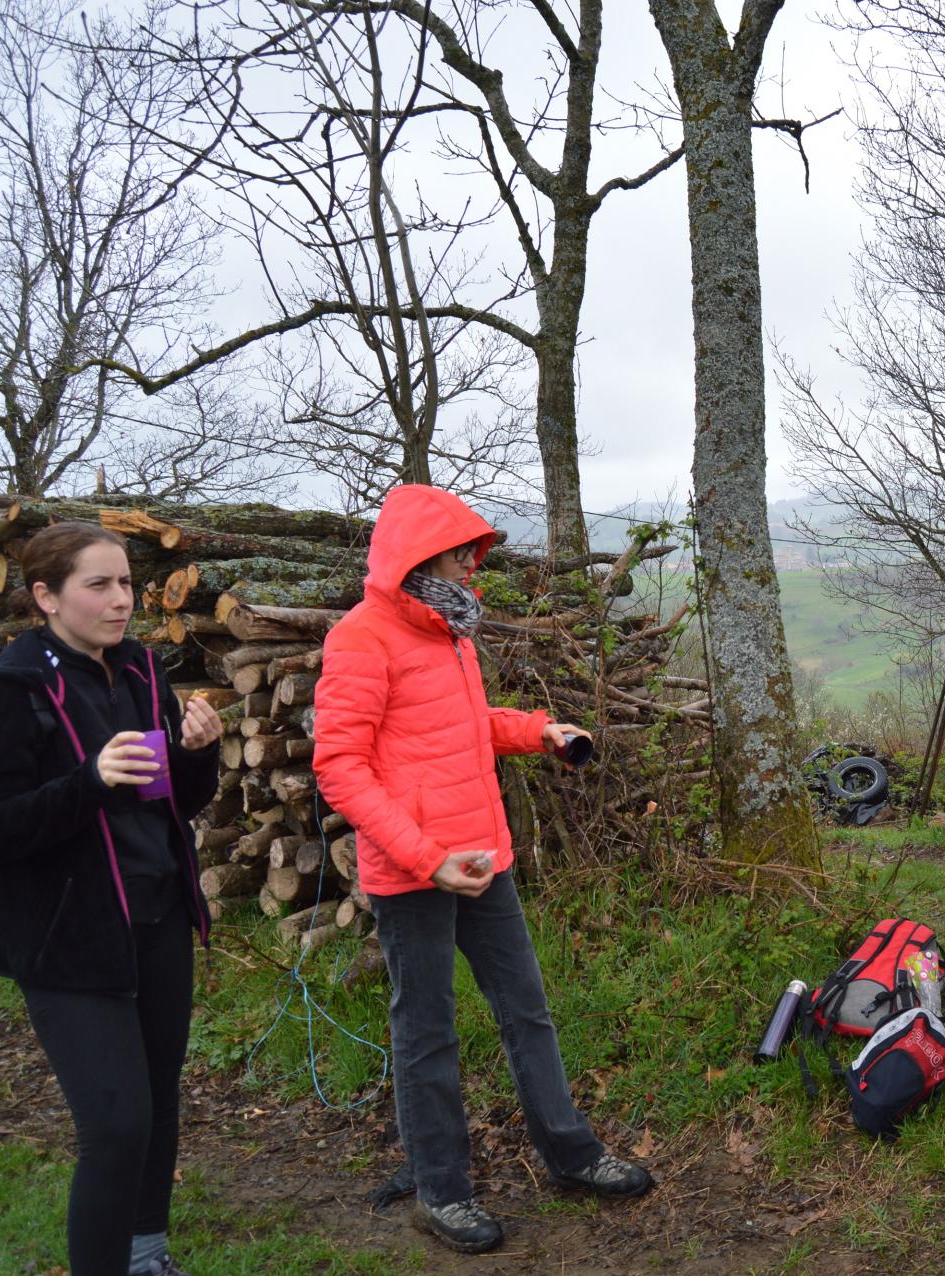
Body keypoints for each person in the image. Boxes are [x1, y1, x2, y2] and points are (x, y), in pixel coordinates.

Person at [312, 484, 654, 1255]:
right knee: (427, 1034)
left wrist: (538, 731)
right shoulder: (362, 637)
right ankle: (442, 1192)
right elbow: (340, 768)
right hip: (415, 875)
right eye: (460, 547)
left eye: (475, 547)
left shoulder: (450, 629)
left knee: (526, 1013)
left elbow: (459, 730)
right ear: (416, 554)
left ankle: (573, 1157)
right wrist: (427, 860)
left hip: (483, 857)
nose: (473, 560)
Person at [0, 523, 222, 1276]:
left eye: (129, 585)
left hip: (157, 917)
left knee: (158, 1101)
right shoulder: (7, 690)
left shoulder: (143, 669)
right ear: (46, 597)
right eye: (100, 586)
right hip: (66, 938)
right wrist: (87, 781)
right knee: (115, 1124)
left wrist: (195, 757)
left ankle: (146, 1254)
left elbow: (172, 802)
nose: (123, 601)